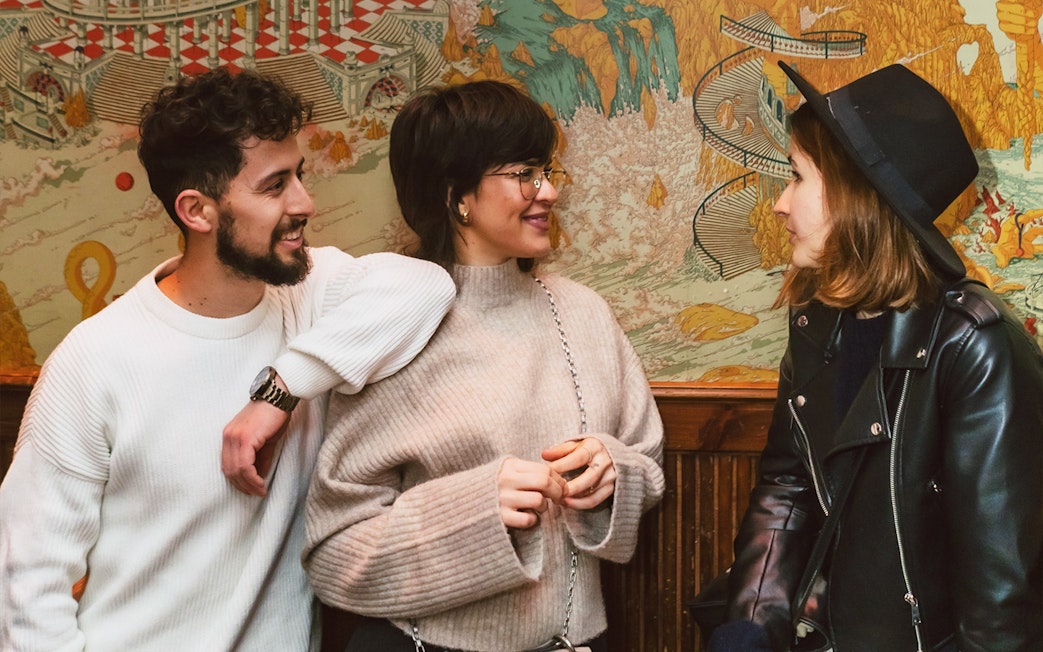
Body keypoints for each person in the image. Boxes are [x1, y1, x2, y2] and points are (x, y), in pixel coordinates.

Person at [0, 67, 455, 651]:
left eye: (300, 176)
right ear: (197, 210)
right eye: (274, 186)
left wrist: (281, 390)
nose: (305, 202)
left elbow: (427, 287)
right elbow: (27, 585)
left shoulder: (310, 296)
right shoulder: (95, 361)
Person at [302, 80, 666, 652]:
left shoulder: (585, 312)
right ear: (457, 196)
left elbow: (647, 462)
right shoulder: (396, 325)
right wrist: (475, 513)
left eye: (545, 170)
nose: (547, 191)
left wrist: (614, 472)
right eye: (523, 173)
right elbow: (335, 553)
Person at [707, 63, 1043, 652]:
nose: (780, 203)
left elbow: (1002, 612)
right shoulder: (817, 320)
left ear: (857, 194)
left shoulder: (974, 346)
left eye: (795, 177)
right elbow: (788, 487)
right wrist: (748, 627)